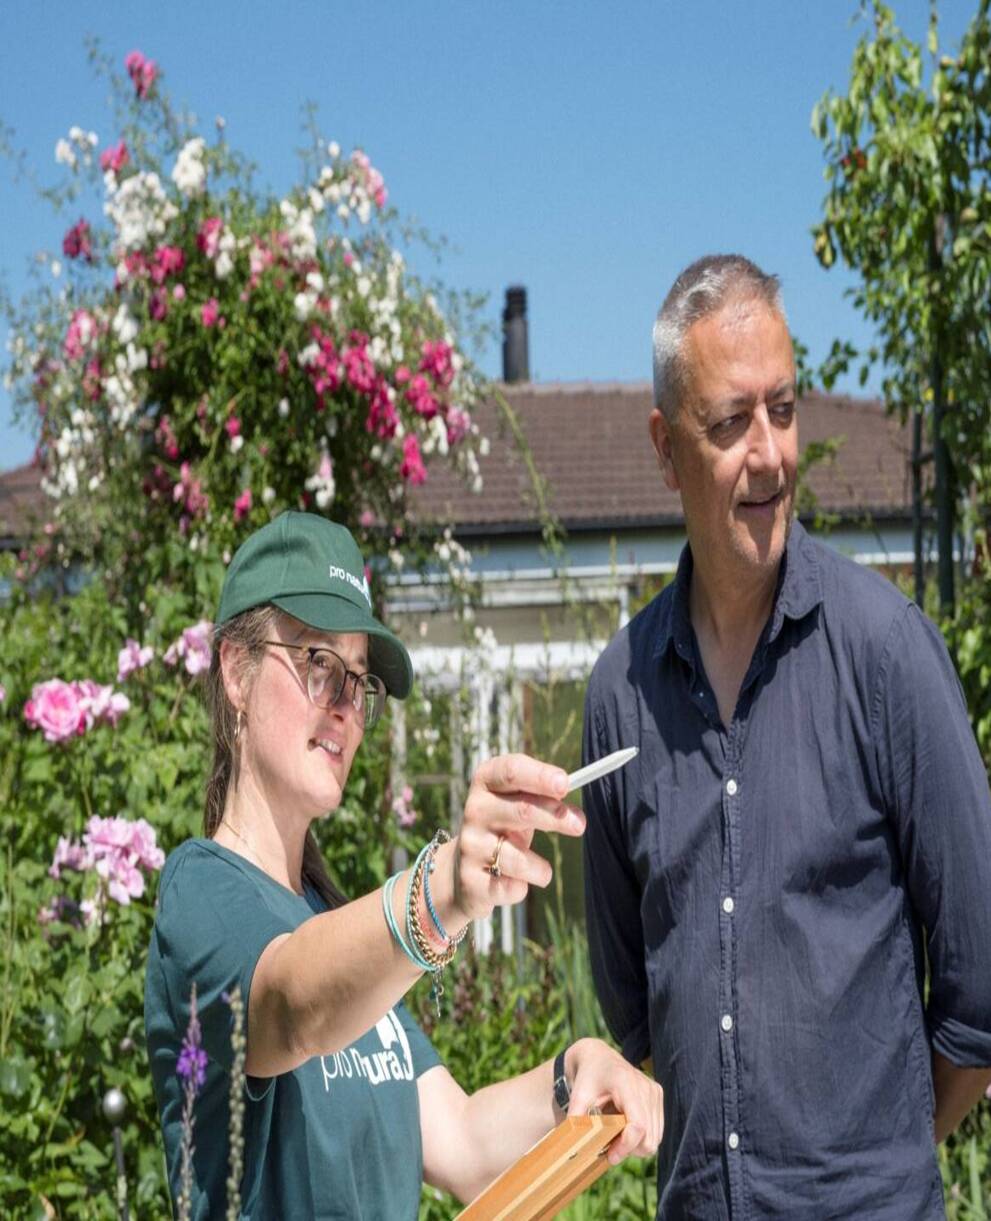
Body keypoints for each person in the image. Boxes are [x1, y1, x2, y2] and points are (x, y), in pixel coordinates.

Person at [581, 254, 991, 1219]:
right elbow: (631, 1009)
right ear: (664, 445)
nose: (768, 453)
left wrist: (866, 1162)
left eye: (782, 408)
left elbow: (979, 991)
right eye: (729, 421)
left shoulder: (886, 655)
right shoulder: (620, 697)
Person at [145, 510, 663, 1218]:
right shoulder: (200, 890)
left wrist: (573, 1073)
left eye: (358, 682)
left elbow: (463, 1142)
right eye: (317, 663)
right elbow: (291, 1006)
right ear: (235, 669)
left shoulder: (331, 922)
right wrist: (441, 888)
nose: (345, 708)